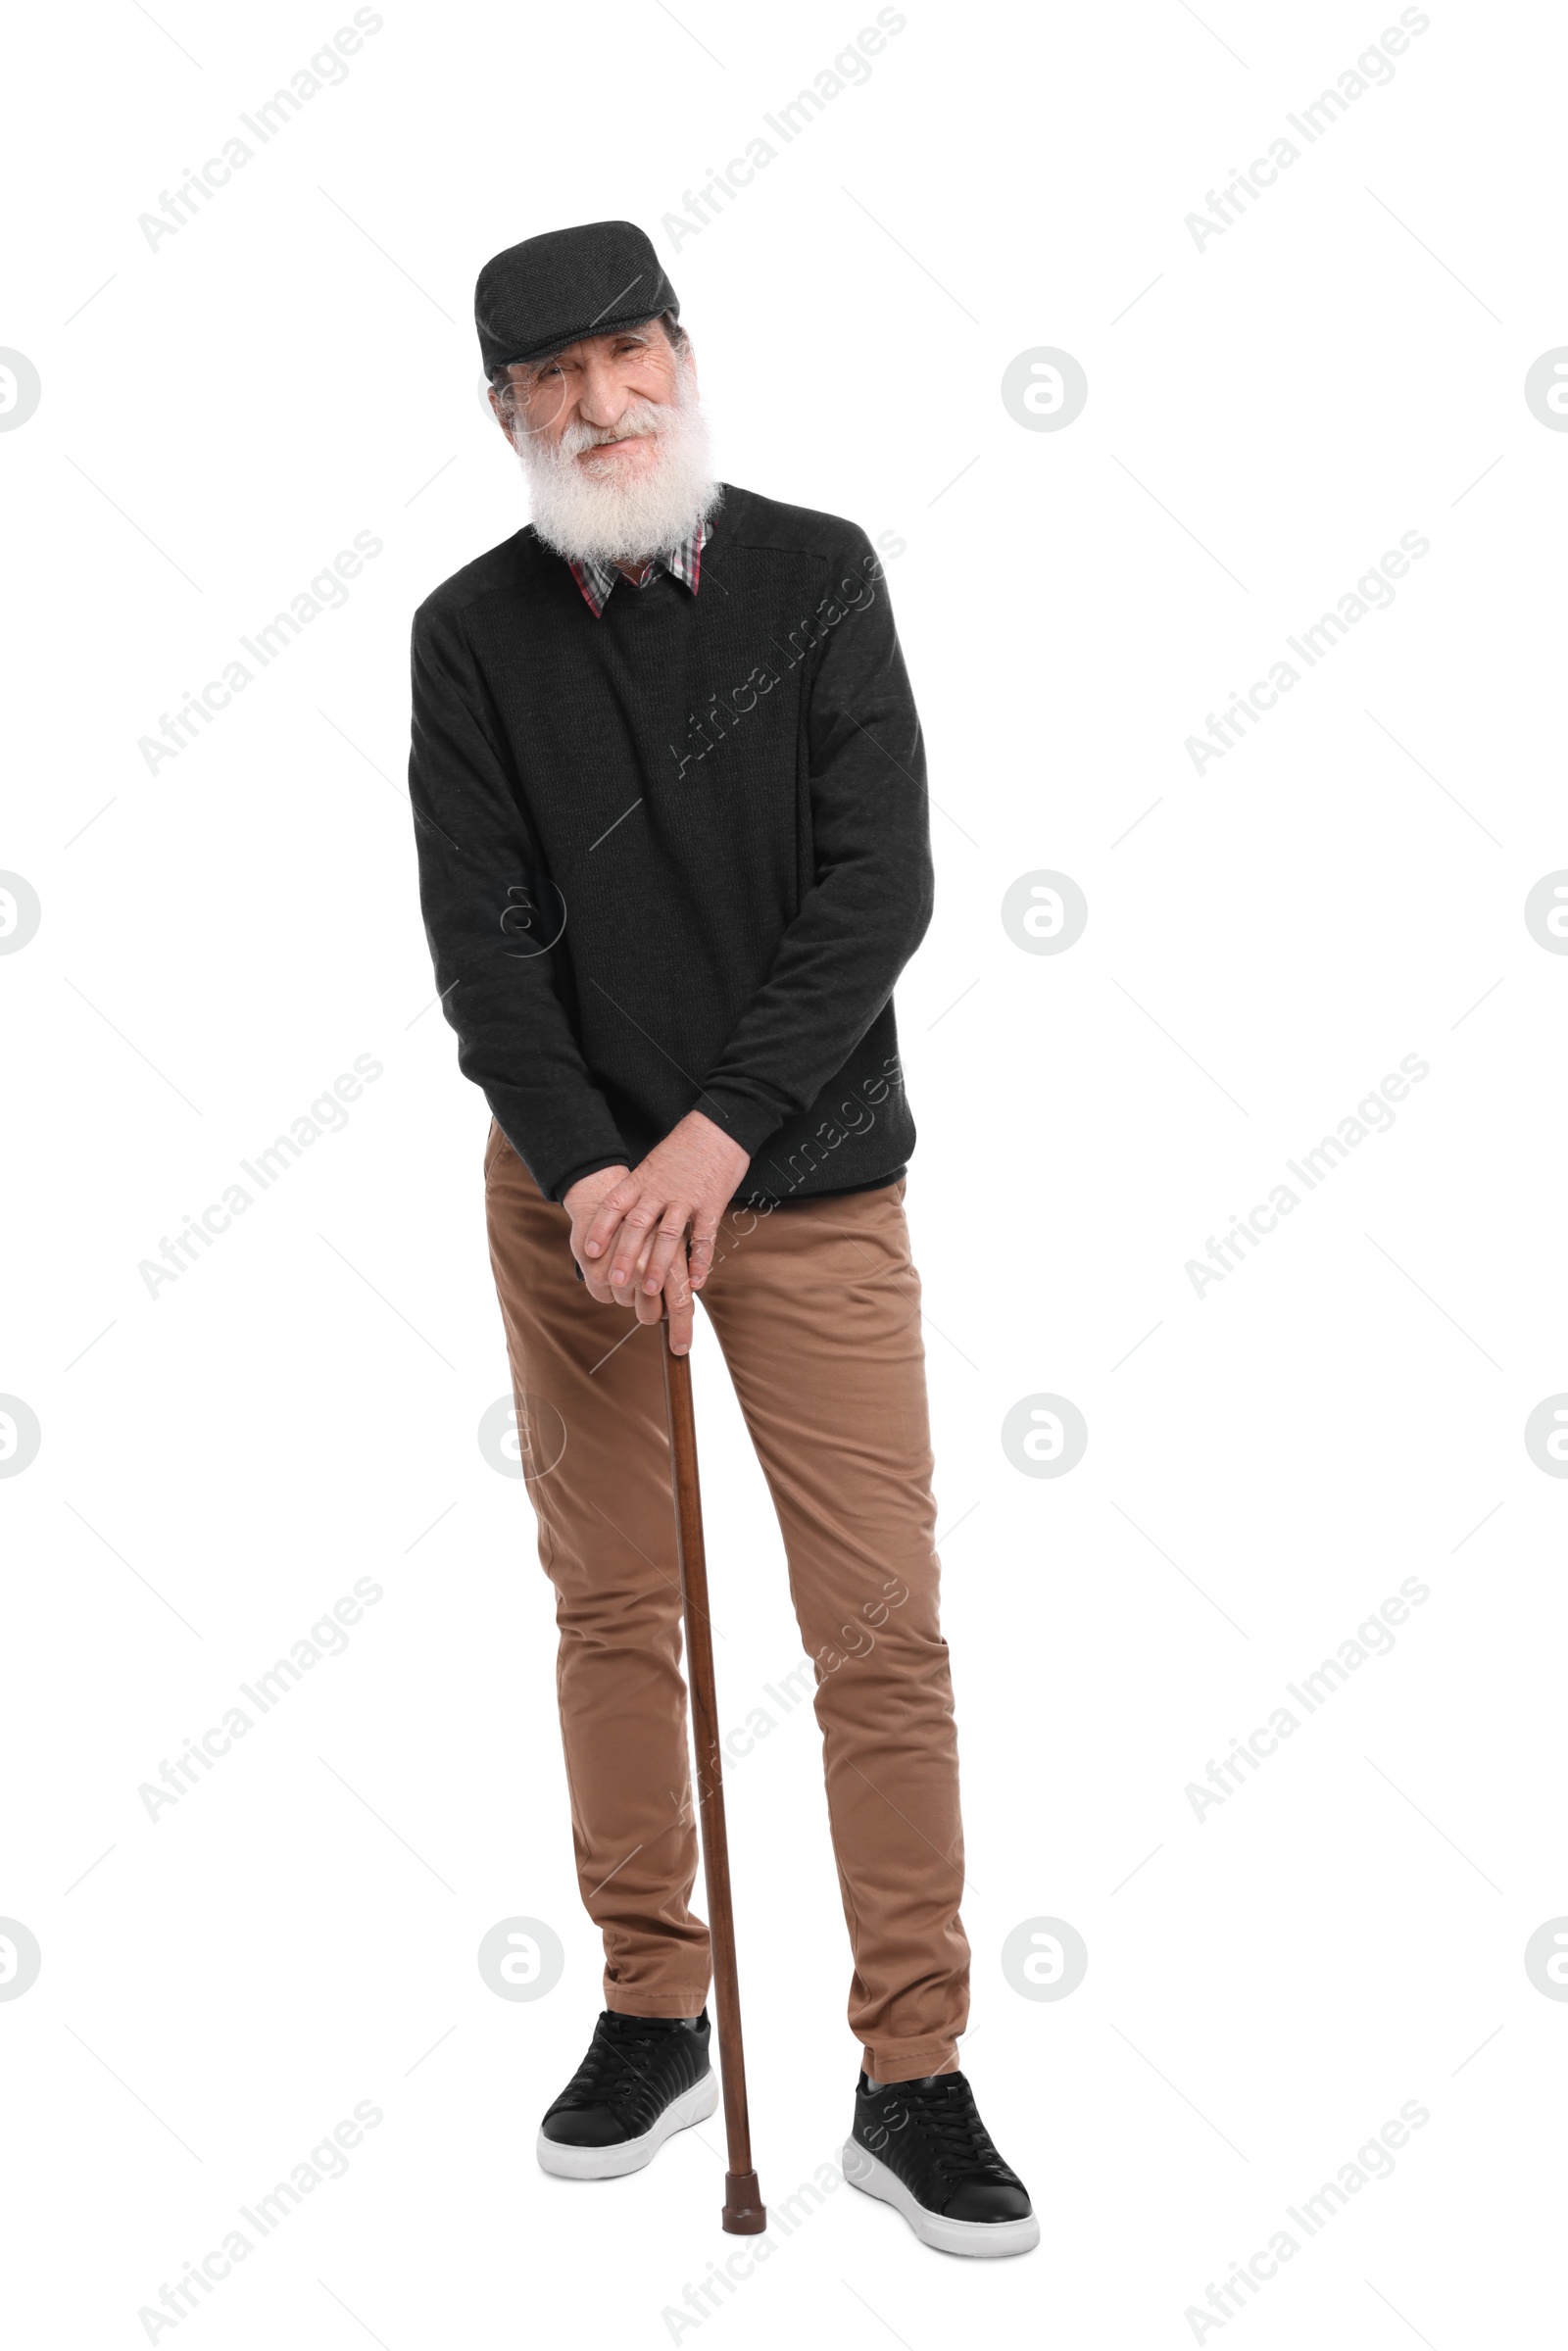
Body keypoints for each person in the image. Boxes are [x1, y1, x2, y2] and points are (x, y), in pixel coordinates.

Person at [407, 219, 1037, 2257]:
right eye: (550, 379)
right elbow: (482, 945)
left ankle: (913, 2067)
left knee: (877, 1629)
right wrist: (596, 1169)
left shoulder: (818, 572)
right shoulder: (466, 635)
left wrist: (712, 1139)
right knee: (614, 1613)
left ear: (681, 351)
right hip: (571, 1206)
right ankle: (653, 2008)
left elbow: (877, 886)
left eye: (624, 354)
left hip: (811, 1183)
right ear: (502, 413)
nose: (600, 404)